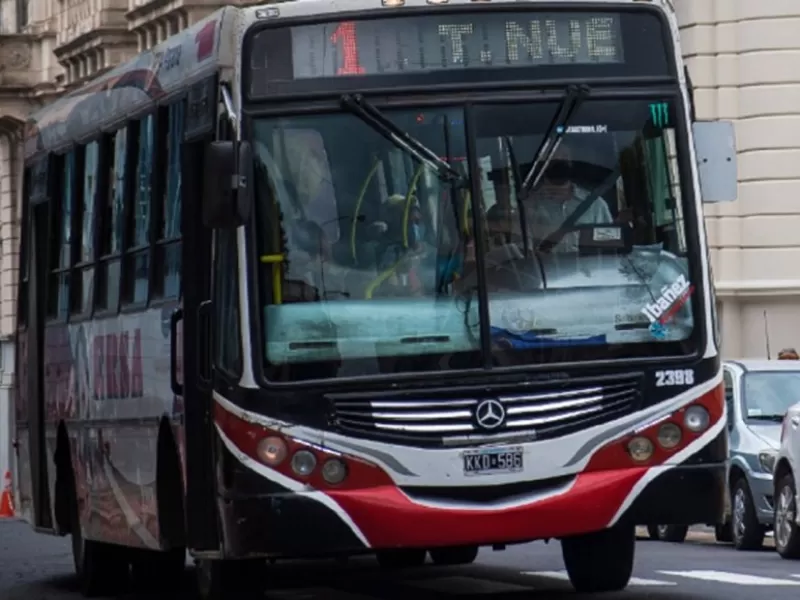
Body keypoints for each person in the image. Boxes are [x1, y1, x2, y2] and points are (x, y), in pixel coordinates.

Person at [524, 140, 614, 252]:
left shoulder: (595, 204)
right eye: (553, 156)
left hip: (589, 269)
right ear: (542, 164)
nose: (560, 161)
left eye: (564, 156)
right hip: (547, 268)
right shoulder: (527, 207)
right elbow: (522, 253)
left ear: (571, 162)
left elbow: (609, 245)